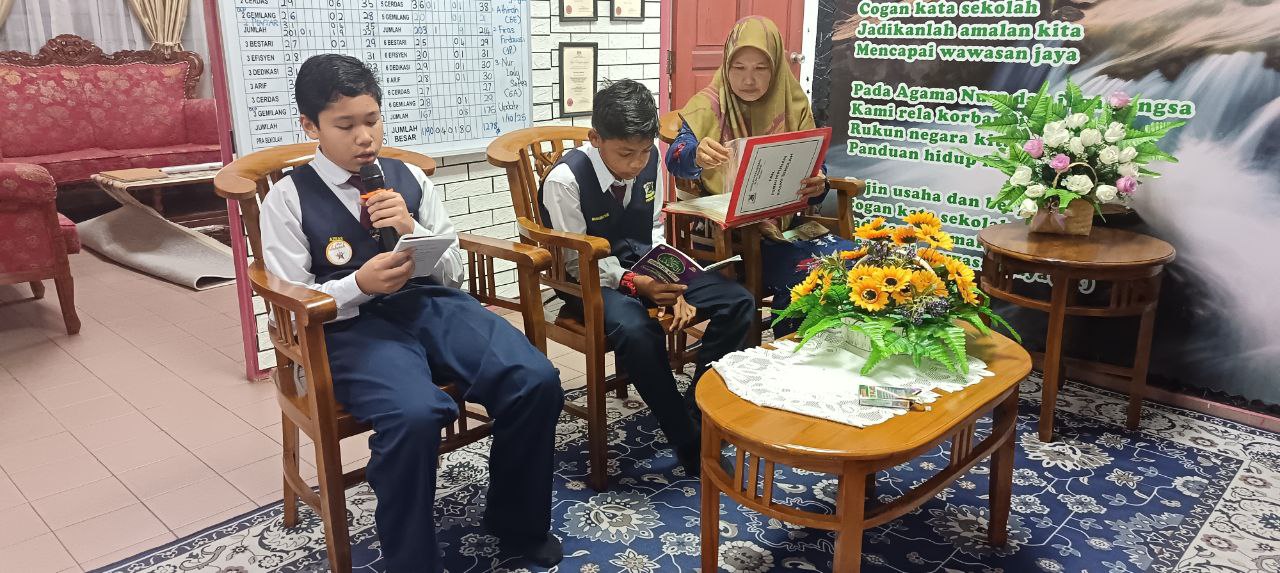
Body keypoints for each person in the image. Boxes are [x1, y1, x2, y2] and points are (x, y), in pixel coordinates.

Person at [258, 54, 563, 572]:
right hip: (348, 326)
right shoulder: (288, 198)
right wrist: (358, 284)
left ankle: (516, 520)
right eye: (345, 125)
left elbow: (453, 272)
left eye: (372, 120)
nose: (365, 138)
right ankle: (411, 561)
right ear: (310, 126)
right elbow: (295, 295)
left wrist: (410, 228)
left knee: (535, 380)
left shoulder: (408, 179)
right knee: (414, 414)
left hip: (428, 304)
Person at [539, 79, 755, 474]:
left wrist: (674, 282)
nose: (637, 163)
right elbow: (574, 262)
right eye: (626, 153)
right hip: (589, 281)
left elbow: (653, 231)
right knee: (638, 330)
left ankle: (696, 407)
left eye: (643, 151)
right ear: (595, 139)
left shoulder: (652, 157)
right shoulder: (565, 181)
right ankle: (687, 439)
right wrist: (638, 285)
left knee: (738, 301)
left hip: (646, 268)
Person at [664, 16, 855, 336]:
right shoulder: (708, 105)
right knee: (805, 277)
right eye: (738, 67)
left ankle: (813, 350)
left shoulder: (793, 103)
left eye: (760, 68)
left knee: (851, 259)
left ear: (776, 66)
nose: (748, 79)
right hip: (726, 239)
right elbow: (676, 158)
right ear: (726, 64)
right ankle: (786, 355)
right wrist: (695, 155)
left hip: (784, 229)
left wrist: (818, 183)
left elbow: (815, 168)